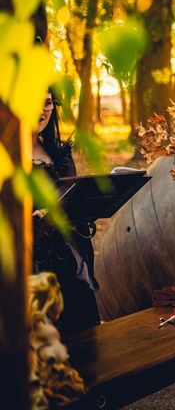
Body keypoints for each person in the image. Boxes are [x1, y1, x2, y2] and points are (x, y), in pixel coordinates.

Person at [32, 90, 100, 335]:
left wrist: (91, 205)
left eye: (47, 103)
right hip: (30, 265)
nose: (41, 111)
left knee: (83, 337)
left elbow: (71, 196)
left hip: (68, 259)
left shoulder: (59, 152)